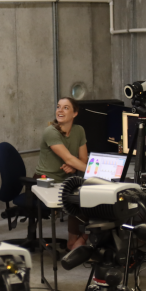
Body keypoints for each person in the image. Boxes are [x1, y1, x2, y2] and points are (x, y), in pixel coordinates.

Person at [35, 97, 89, 250]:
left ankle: (81, 239)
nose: (60, 110)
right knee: (74, 200)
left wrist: (74, 167)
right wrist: (93, 171)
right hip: (45, 181)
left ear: (75, 113)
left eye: (66, 108)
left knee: (92, 199)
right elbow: (68, 158)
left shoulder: (79, 130)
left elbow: (83, 158)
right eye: (58, 107)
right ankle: (73, 243)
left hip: (67, 180)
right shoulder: (50, 132)